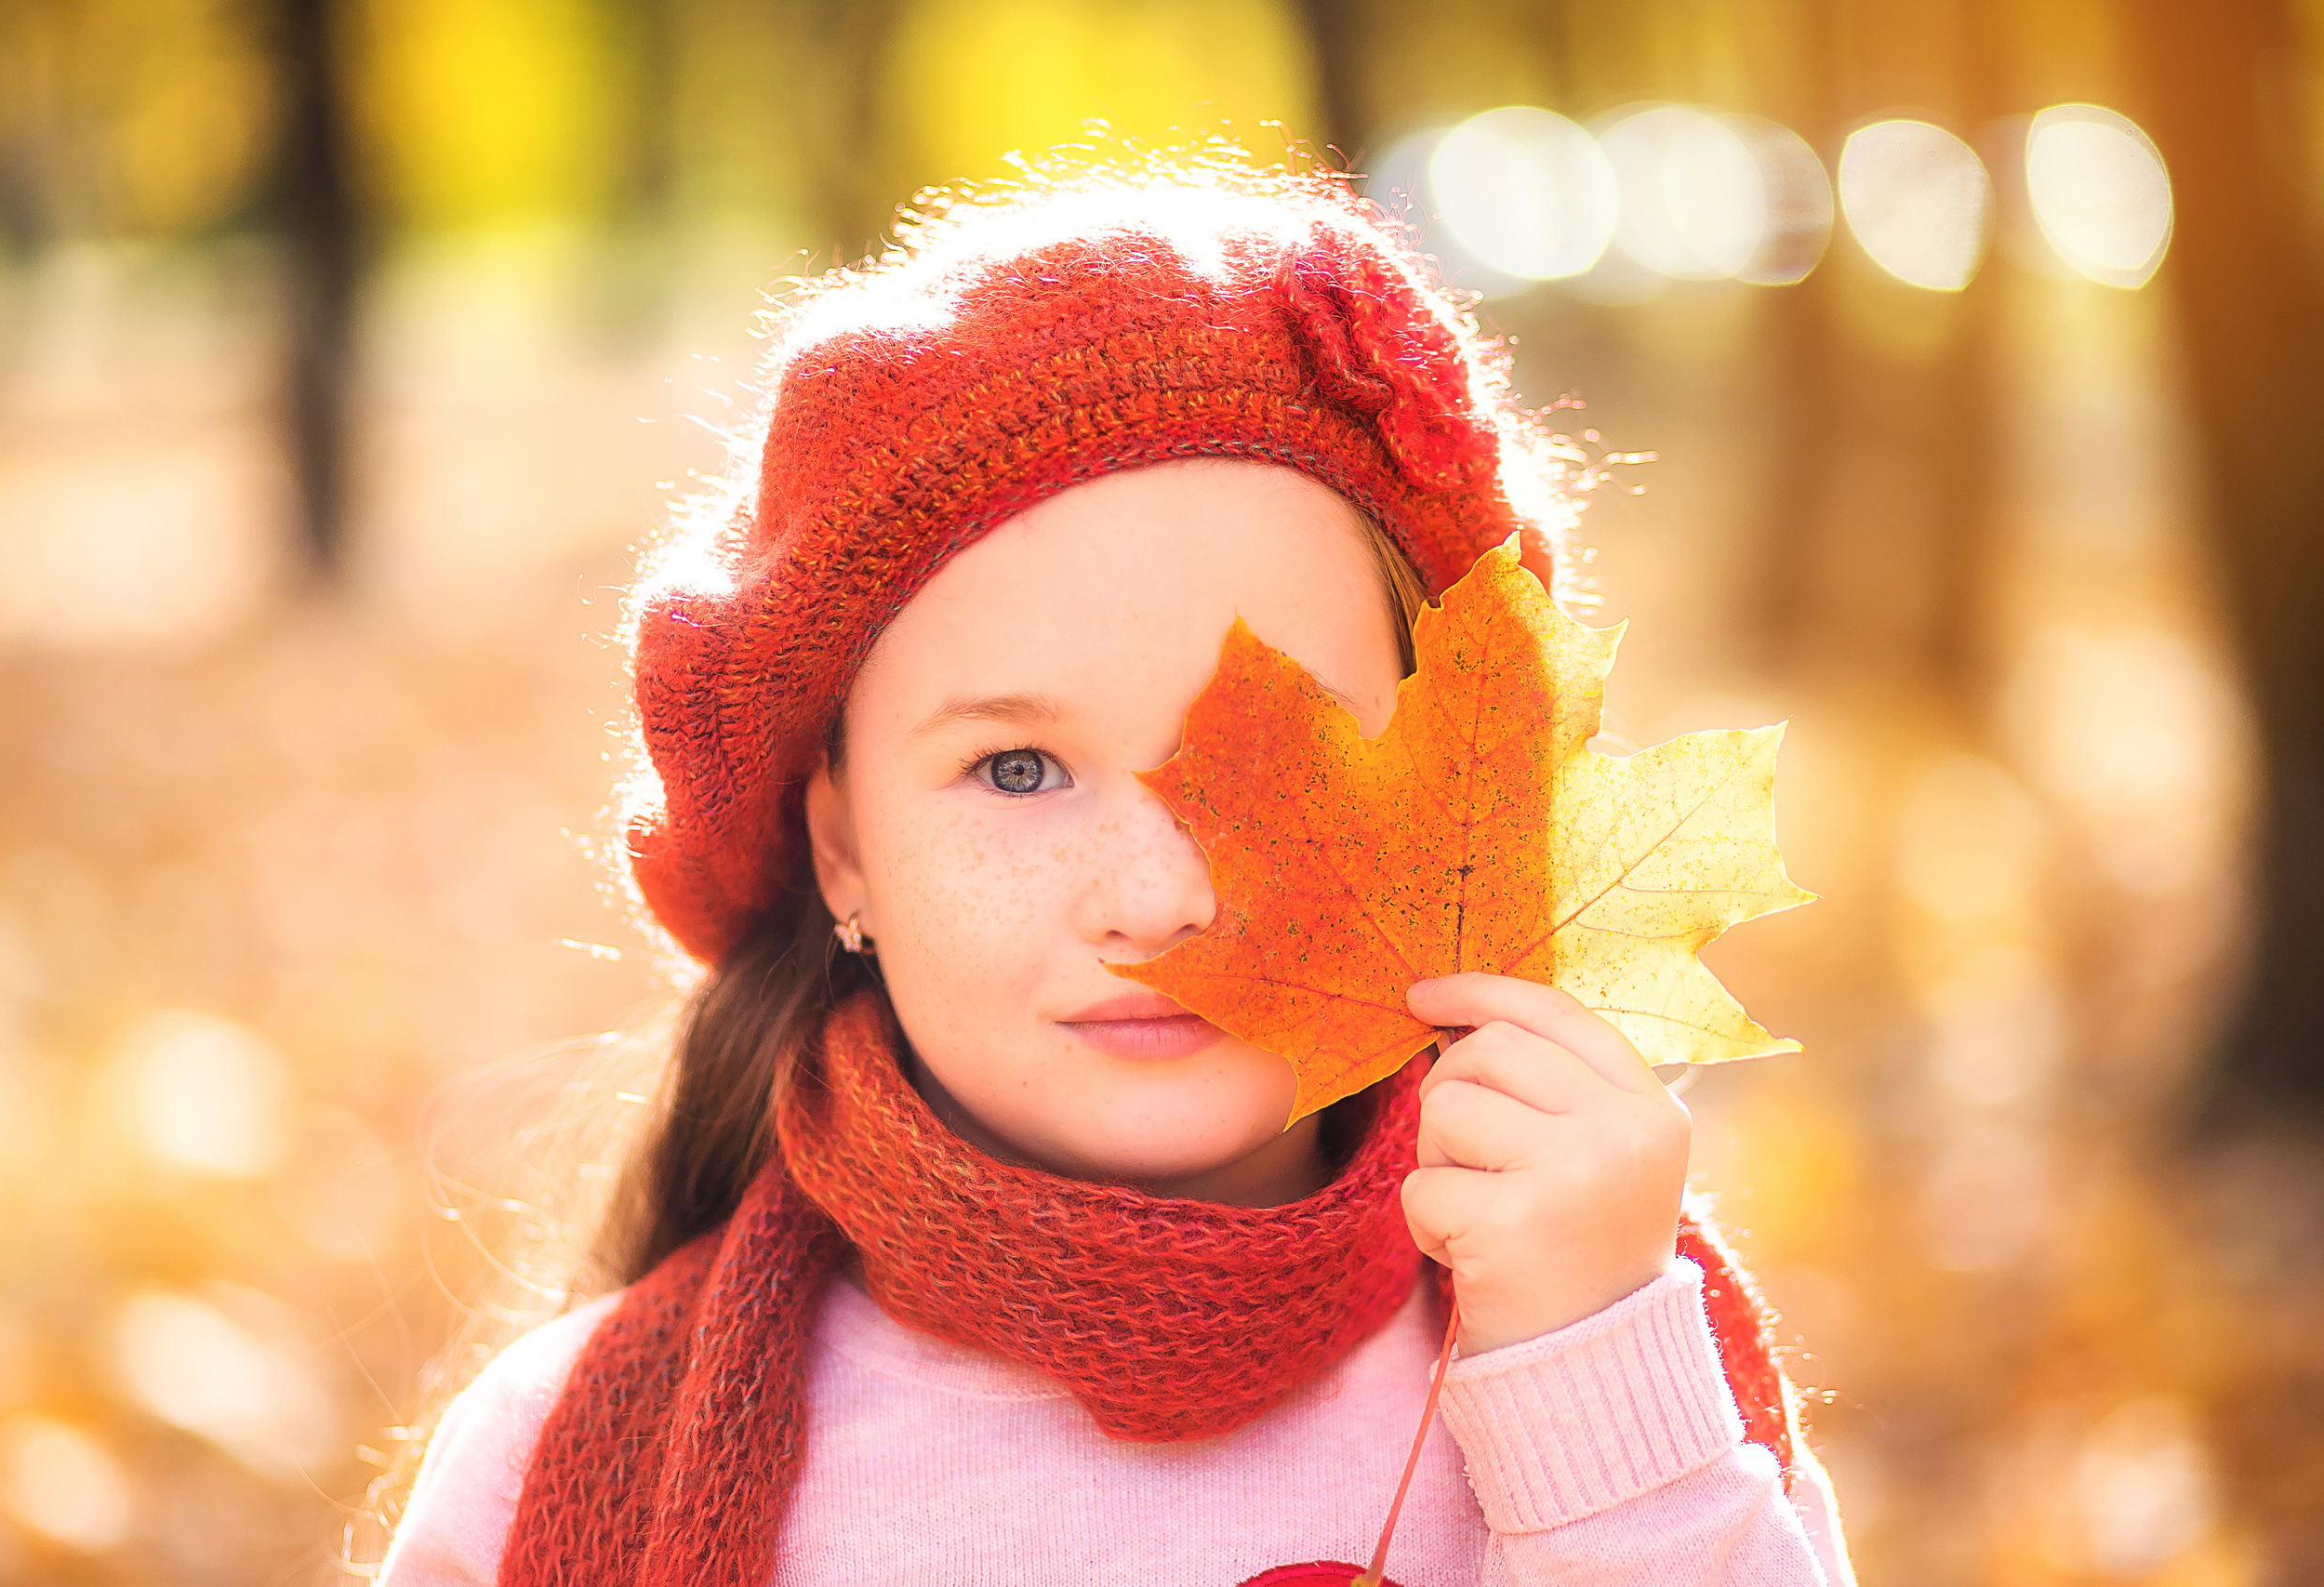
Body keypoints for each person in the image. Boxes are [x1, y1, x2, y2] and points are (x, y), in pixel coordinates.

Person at [376, 152, 1857, 1587]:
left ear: (1448, 803)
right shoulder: (561, 1465)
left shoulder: (1626, 1388)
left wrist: (1592, 1385)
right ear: (843, 851)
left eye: (1274, 771)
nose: (1155, 901)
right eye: (1017, 771)